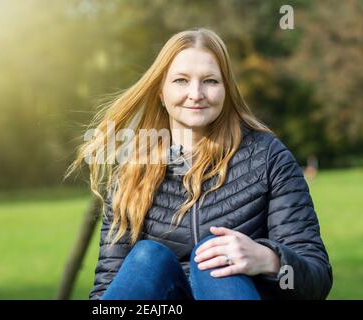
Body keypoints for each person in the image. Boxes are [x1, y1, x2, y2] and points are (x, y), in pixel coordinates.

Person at [66, 28, 333, 300]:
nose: (196, 94)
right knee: (148, 256)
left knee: (215, 259)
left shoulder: (268, 158)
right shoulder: (132, 171)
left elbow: (317, 278)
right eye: (181, 81)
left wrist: (267, 259)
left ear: (227, 89)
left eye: (210, 81)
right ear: (160, 90)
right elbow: (105, 291)